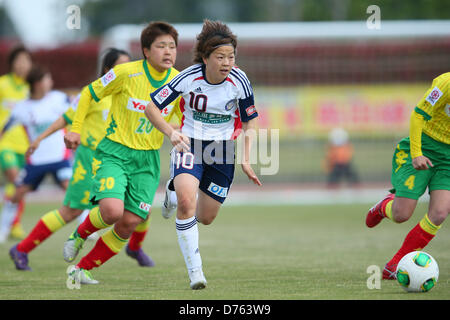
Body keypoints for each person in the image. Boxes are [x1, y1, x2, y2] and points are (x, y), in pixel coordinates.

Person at [8, 48, 155, 271]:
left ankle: (135, 247)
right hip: (92, 162)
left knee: (142, 209)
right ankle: (21, 249)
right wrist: (40, 138)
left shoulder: (132, 94)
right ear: (107, 71)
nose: (127, 70)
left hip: (123, 161)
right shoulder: (94, 95)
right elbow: (66, 117)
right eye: (121, 66)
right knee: (71, 211)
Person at [145, 19, 262, 290]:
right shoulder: (187, 77)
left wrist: (245, 157)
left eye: (231, 56)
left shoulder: (240, 81)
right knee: (187, 202)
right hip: (190, 145)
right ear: (206, 57)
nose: (226, 62)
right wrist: (170, 133)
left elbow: (250, 121)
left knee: (206, 217)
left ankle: (171, 192)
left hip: (222, 151)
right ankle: (195, 273)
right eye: (220, 57)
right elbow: (151, 107)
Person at [63, 21, 182, 285]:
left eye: (172, 46)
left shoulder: (179, 82)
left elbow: (180, 121)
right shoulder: (125, 73)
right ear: (146, 51)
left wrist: (180, 134)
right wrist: (76, 129)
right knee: (112, 211)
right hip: (115, 152)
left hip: (148, 160)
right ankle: (80, 235)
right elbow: (88, 93)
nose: (168, 51)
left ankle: (81, 270)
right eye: (161, 46)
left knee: (129, 222)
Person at [365, 72, 450, 279]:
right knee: (402, 214)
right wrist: (417, 153)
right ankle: (385, 206)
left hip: (448, 158)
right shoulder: (445, 82)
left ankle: (395, 264)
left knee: (440, 213)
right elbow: (418, 115)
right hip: (424, 145)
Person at [0, 65, 72, 243]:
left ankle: (87, 229)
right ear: (38, 84)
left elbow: (79, 108)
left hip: (59, 158)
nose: (51, 82)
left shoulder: (59, 98)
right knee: (17, 193)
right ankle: (2, 230)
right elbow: (6, 128)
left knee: (71, 190)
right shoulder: (21, 108)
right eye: (48, 79)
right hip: (36, 161)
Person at [0, 45, 32, 240]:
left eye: (26, 60)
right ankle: (10, 224)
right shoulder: (3, 84)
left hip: (27, 146)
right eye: (18, 60)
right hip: (6, 144)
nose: (22, 64)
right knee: (15, 179)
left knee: (20, 186)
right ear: (11, 63)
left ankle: (13, 223)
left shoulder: (32, 87)